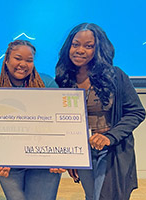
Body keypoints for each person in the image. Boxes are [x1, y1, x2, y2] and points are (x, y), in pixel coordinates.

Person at [55, 23, 145, 200]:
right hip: (82, 151)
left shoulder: (115, 75)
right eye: (75, 44)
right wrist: (71, 157)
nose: (80, 50)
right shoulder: (64, 79)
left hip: (111, 151)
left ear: (98, 49)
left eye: (88, 46)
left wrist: (109, 136)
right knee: (92, 196)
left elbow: (136, 112)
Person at [0, 40, 63, 200]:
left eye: (29, 60)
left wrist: (60, 157)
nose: (23, 64)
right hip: (8, 164)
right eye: (18, 58)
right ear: (6, 60)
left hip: (43, 163)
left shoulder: (47, 84)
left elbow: (60, 124)